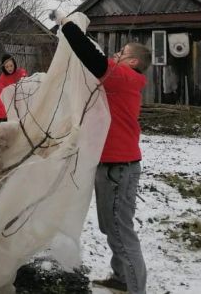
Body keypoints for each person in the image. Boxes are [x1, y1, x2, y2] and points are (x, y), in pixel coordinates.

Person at [60, 17, 151, 294]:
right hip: (109, 165)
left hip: (119, 168)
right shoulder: (120, 81)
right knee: (110, 227)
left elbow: (92, 58)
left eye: (122, 53)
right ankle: (121, 278)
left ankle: (135, 288)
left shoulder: (124, 78)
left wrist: (68, 26)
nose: (117, 55)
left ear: (133, 62)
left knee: (122, 231)